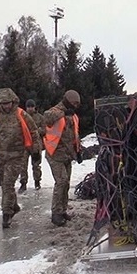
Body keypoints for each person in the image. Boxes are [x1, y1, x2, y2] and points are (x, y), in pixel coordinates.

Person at [0, 88, 43, 228]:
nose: (6, 106)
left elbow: (33, 132)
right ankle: (13, 206)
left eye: (8, 103)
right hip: (0, 157)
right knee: (3, 184)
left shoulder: (22, 115)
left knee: (8, 184)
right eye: (3, 103)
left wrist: (36, 150)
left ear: (13, 101)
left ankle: (6, 214)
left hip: (16, 156)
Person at [43, 89, 83, 227]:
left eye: (77, 104)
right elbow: (46, 117)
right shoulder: (56, 111)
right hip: (54, 154)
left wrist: (78, 152)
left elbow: (75, 136)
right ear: (67, 101)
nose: (76, 106)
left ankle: (62, 210)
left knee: (66, 183)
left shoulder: (74, 117)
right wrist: (63, 114)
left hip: (67, 155)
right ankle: (56, 213)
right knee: (61, 182)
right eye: (74, 103)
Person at [18, 99, 45, 193]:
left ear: (34, 107)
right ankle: (23, 183)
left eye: (31, 107)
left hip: (36, 144)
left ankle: (37, 182)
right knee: (22, 165)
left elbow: (45, 130)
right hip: (24, 144)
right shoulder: (22, 117)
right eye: (28, 107)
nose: (30, 109)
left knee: (36, 165)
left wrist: (36, 131)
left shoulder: (40, 117)